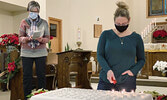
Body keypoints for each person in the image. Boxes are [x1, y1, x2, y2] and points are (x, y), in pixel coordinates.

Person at [97, 1, 145, 92]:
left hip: (127, 81)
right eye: (118, 24)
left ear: (129, 20)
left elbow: (141, 60)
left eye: (124, 24)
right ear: (114, 20)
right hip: (106, 80)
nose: (121, 26)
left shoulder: (136, 38)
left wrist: (132, 71)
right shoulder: (106, 35)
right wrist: (108, 70)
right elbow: (100, 55)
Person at [19, 1, 49, 99]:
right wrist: (27, 38)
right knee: (27, 77)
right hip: (26, 53)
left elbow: (47, 38)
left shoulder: (44, 23)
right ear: (28, 11)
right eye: (32, 11)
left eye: (36, 11)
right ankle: (27, 97)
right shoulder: (24, 22)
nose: (34, 13)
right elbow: (20, 38)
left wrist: (41, 40)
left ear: (38, 11)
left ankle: (41, 97)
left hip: (41, 53)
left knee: (41, 76)